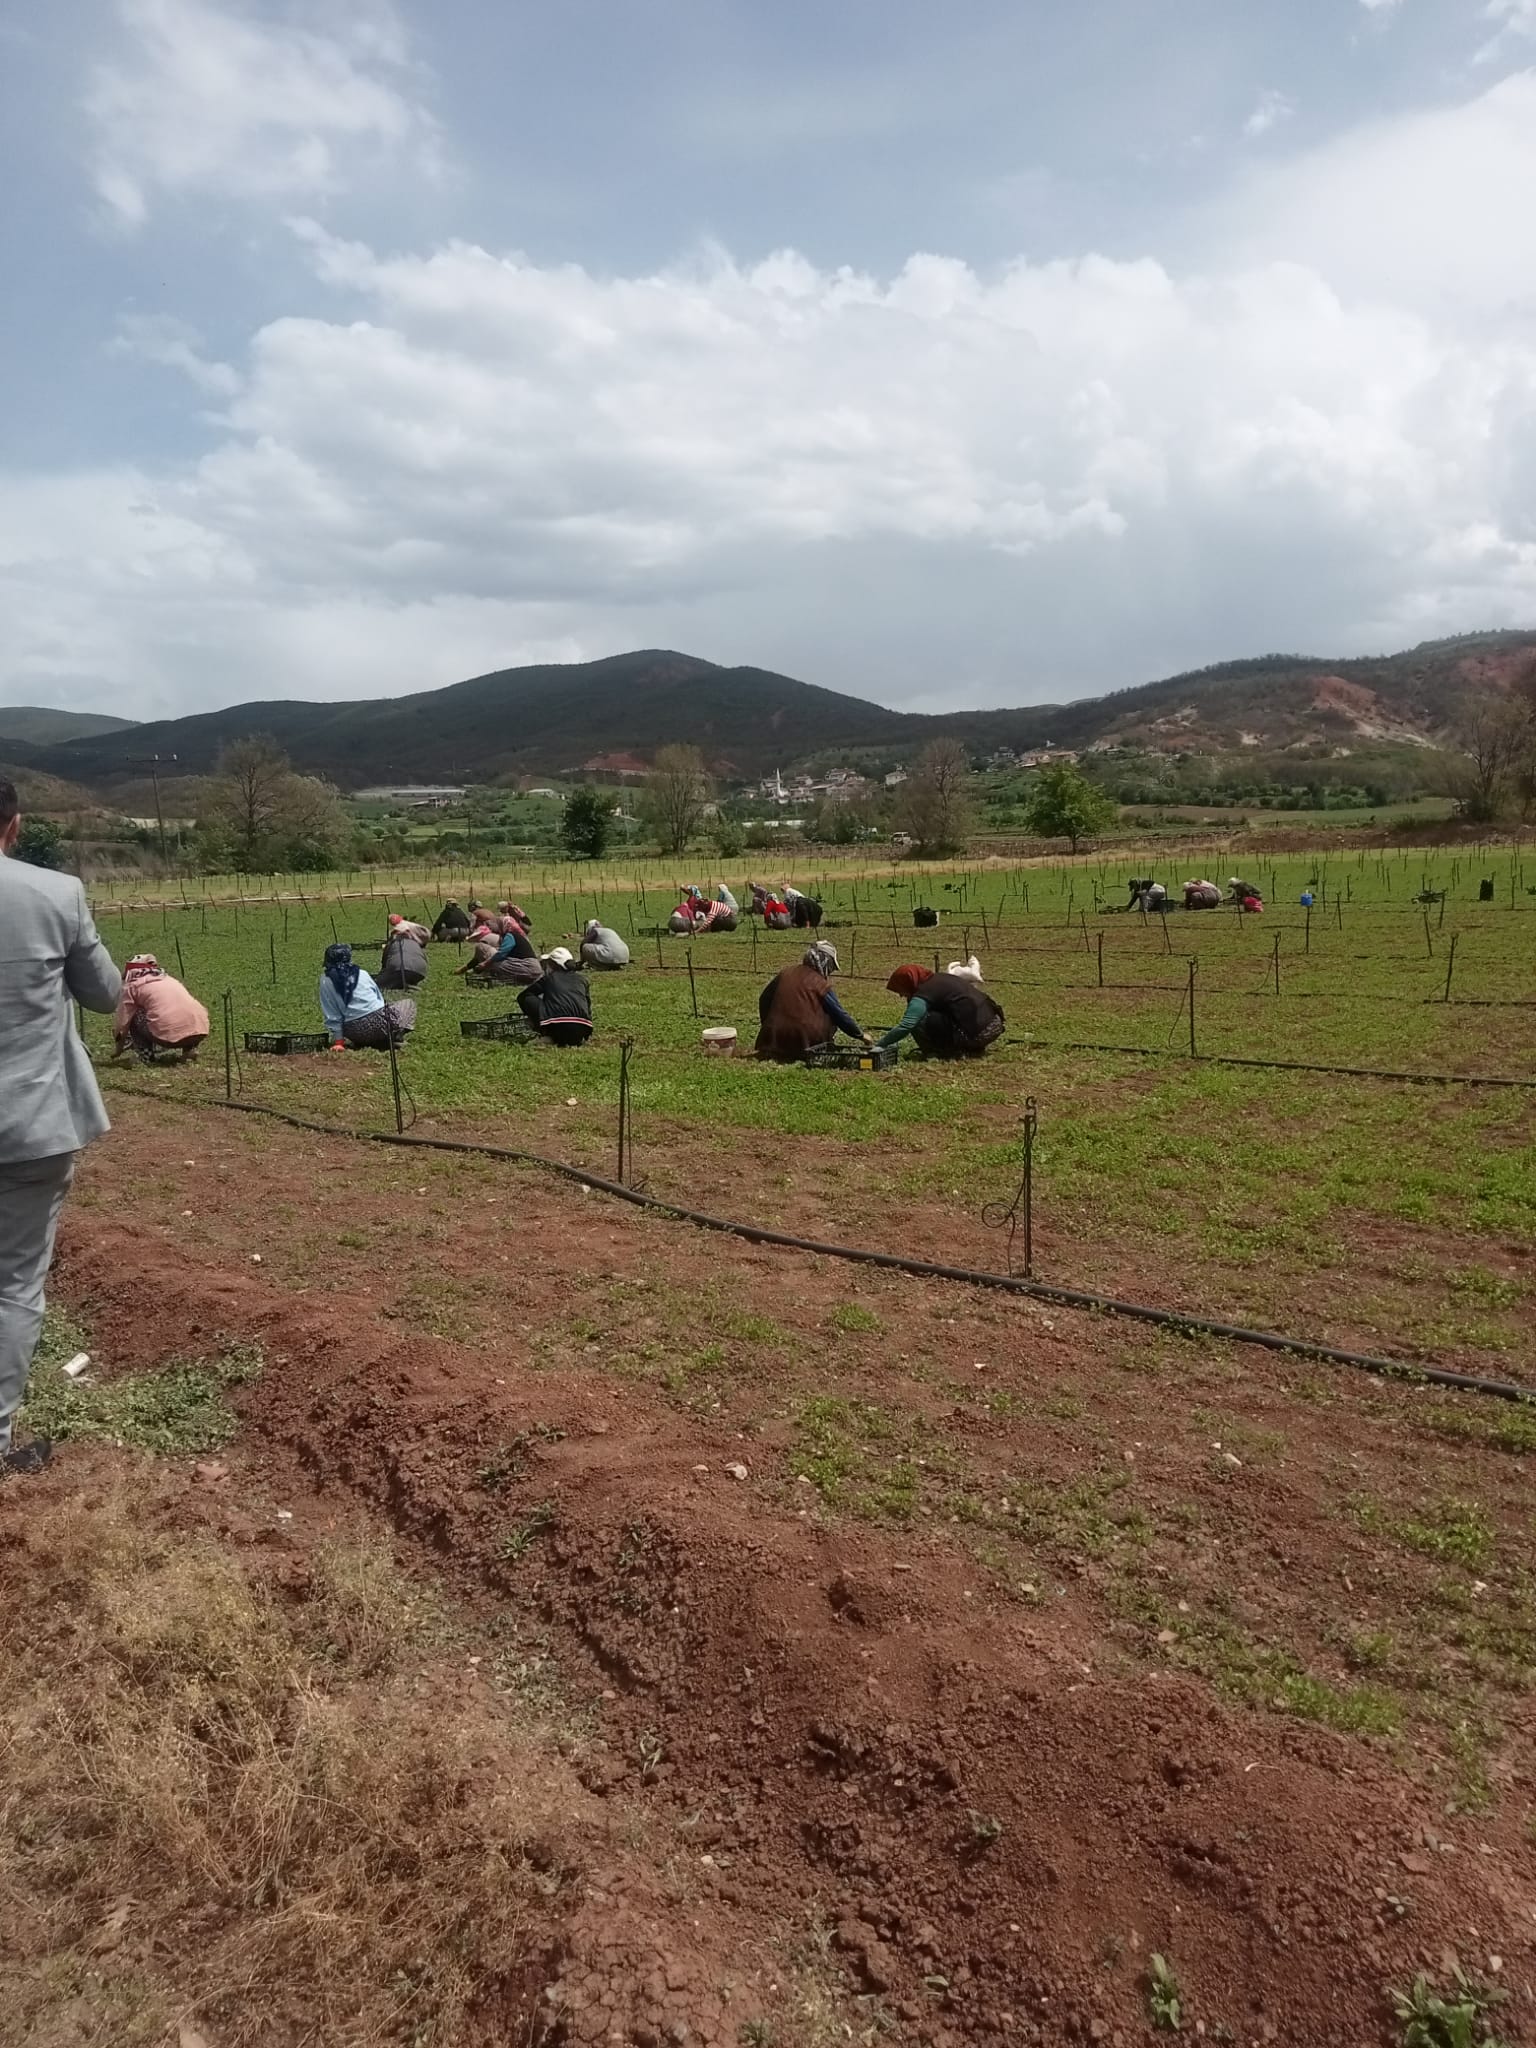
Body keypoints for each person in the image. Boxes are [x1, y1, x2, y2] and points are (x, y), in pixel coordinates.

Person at [0, 777, 122, 1476]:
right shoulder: (57, 894)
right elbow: (105, 996)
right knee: (14, 1286)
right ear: (14, 826)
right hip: (32, 1124)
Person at [755, 942, 868, 1062]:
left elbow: (764, 999)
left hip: (772, 1040)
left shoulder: (785, 973)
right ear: (825, 962)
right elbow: (839, 1014)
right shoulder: (820, 984)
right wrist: (861, 1035)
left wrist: (769, 1024)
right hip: (806, 1043)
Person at [879, 964, 1005, 1060]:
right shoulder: (941, 979)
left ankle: (939, 1053)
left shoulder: (923, 993)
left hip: (979, 1034)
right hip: (994, 1024)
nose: (901, 995)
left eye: (901, 990)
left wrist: (881, 1045)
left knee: (919, 1020)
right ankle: (971, 1048)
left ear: (908, 983)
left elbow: (906, 1025)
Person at [112, 954, 209, 1062]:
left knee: (133, 1014)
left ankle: (146, 1056)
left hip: (169, 1036)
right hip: (200, 1030)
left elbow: (122, 1023)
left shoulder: (132, 986)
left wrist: (118, 1049)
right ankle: (190, 1049)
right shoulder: (169, 979)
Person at [319, 943, 416, 1049]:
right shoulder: (362, 973)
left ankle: (369, 1042)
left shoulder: (325, 980)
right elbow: (378, 997)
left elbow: (332, 1013)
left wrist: (339, 1042)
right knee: (408, 1003)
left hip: (353, 1032)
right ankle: (393, 1037)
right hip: (380, 1023)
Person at [517, 948, 594, 1046]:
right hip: (582, 1030)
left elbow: (524, 995)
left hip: (558, 1027)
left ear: (554, 965)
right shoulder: (582, 980)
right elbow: (588, 1005)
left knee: (527, 998)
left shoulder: (549, 978)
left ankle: (545, 1033)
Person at [379, 916, 429, 990]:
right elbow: (424, 958)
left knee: (380, 983)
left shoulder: (392, 943)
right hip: (420, 972)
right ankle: (409, 983)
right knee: (407, 976)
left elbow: (384, 963)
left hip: (398, 970)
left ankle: (401, 984)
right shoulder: (416, 943)